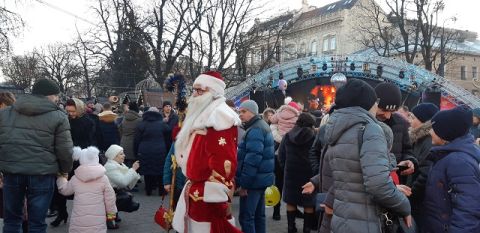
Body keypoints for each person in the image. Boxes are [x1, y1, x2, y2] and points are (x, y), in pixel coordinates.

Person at [304, 79, 411, 233]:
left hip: (342, 218)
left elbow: (346, 175)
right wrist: (404, 206)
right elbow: (378, 185)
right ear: (367, 104)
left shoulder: (337, 129)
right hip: (365, 221)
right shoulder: (370, 129)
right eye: (375, 102)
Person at [172, 71, 242, 233]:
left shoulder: (219, 116)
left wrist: (217, 197)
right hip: (196, 189)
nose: (194, 95)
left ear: (213, 92)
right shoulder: (202, 113)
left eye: (200, 91)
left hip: (207, 195)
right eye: (194, 90)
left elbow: (224, 161)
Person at [0, 79, 73, 233]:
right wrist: (65, 170)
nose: (57, 99)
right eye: (56, 96)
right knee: (37, 223)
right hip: (42, 174)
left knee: (12, 220)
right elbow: (65, 149)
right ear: (50, 96)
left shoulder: (5, 113)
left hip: (12, 172)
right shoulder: (59, 117)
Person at [423, 107, 480, 233]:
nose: (430, 132)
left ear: (445, 133)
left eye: (434, 128)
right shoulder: (447, 155)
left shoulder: (459, 161)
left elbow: (468, 209)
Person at [51, 98, 98, 227]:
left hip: (81, 160)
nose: (71, 114)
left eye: (73, 111)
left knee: (81, 191)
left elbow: (91, 141)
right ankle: (62, 213)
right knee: (60, 189)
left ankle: (82, 217)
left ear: (80, 109)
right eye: (68, 111)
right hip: (65, 159)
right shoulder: (64, 121)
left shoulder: (89, 122)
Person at [57, 146, 117, 233]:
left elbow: (65, 190)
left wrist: (62, 178)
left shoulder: (76, 178)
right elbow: (110, 199)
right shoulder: (103, 178)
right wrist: (111, 215)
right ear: (96, 158)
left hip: (79, 221)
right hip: (97, 222)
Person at [236, 100, 275, 233]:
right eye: (239, 111)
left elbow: (252, 160)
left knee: (247, 218)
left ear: (252, 112)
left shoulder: (255, 130)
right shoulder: (260, 126)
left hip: (252, 182)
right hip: (259, 180)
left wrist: (244, 184)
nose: (240, 114)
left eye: (243, 111)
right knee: (258, 216)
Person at [278, 113, 316, 233]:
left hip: (291, 174)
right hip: (309, 175)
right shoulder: (314, 137)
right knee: (308, 203)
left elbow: (281, 155)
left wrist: (286, 167)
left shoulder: (288, 136)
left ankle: (291, 227)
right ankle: (307, 228)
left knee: (291, 201)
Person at [374, 83, 417, 183]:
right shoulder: (364, 124)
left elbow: (407, 150)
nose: (388, 116)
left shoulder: (401, 123)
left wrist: (409, 161)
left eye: (392, 111)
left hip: (395, 184)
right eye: (384, 110)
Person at [405, 103, 439, 229]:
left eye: (413, 118)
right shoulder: (418, 138)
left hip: (418, 201)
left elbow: (425, 174)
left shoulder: (429, 142)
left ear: (424, 122)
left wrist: (410, 193)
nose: (410, 120)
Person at [134, 107, 170, 196]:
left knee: (147, 170)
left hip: (144, 150)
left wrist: (136, 153)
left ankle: (148, 190)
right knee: (160, 171)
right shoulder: (163, 125)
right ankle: (161, 191)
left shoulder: (141, 125)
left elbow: (136, 141)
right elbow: (168, 139)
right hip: (160, 150)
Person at [119, 102, 142, 167]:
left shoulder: (124, 119)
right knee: (134, 167)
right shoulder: (139, 120)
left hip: (123, 144)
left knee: (125, 166)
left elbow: (120, 130)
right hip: (134, 146)